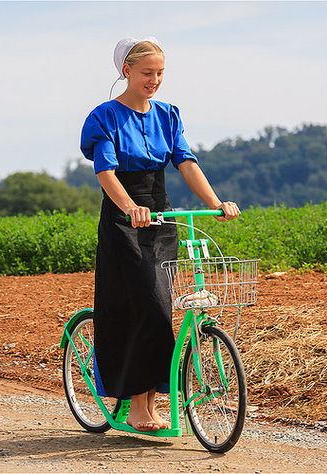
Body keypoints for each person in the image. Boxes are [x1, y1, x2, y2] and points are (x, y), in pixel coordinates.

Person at [80, 37, 240, 432]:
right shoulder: (105, 117)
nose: (154, 80)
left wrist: (217, 202)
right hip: (124, 216)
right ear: (127, 72)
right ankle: (136, 407)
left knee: (161, 308)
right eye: (147, 73)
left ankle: (149, 406)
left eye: (160, 73)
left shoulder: (168, 115)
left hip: (161, 212)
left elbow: (185, 162)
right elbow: (106, 171)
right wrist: (129, 208)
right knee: (146, 304)